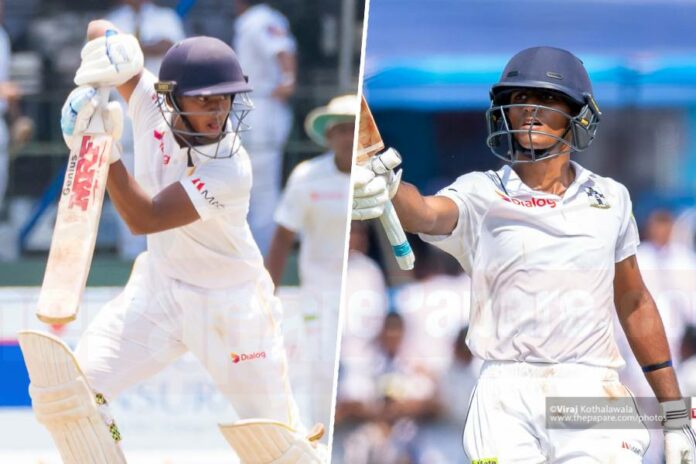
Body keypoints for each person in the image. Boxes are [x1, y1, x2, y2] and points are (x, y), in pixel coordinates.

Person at [352, 46, 696, 462]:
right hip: (504, 394)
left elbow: (634, 301)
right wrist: (386, 187)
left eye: (547, 99)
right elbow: (423, 210)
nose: (530, 110)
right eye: (518, 100)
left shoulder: (612, 198)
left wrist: (675, 417)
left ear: (579, 115)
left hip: (592, 387)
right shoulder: (481, 192)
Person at [49, 21, 325, 462]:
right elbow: (97, 28)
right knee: (70, 396)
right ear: (171, 98)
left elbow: (145, 217)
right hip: (159, 291)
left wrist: (100, 145)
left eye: (225, 99)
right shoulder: (145, 102)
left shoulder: (231, 167)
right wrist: (114, 52)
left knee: (283, 450)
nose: (218, 112)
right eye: (204, 100)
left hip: (232, 307)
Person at [265, 93, 353, 430]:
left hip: (361, 286)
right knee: (321, 363)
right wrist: (267, 293)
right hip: (318, 290)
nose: (347, 137)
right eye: (341, 130)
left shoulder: (375, 177)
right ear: (329, 136)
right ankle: (320, 437)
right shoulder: (306, 177)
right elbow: (283, 237)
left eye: (353, 129)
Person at [106, 0, 186, 259]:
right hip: (122, 106)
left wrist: (132, 50)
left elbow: (174, 50)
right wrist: (148, 48)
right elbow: (104, 56)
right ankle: (131, 252)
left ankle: (164, 251)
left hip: (163, 103)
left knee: (166, 173)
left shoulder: (165, 17)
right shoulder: (114, 19)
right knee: (126, 176)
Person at [233, 0, 297, 255]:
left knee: (262, 185)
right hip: (249, 106)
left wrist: (289, 80)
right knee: (245, 180)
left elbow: (281, 50)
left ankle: (265, 251)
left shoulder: (262, 18)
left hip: (263, 106)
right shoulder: (253, 19)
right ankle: (250, 249)